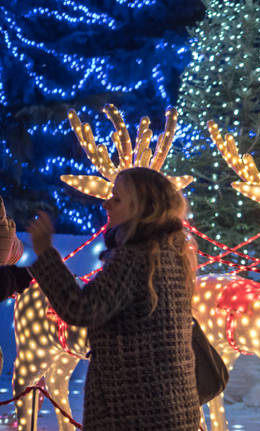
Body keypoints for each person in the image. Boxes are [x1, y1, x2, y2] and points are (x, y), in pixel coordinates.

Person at [26, 167, 201, 430]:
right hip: (173, 406)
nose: (106, 203)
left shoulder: (135, 257)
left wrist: (45, 252)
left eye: (117, 199)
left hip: (135, 411)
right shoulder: (174, 254)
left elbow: (82, 308)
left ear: (143, 209)